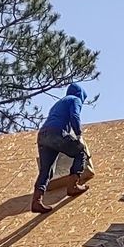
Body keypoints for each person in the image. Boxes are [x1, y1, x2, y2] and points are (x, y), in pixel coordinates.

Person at [31, 83, 94, 212]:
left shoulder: (58, 103)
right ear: (80, 94)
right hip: (56, 133)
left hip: (43, 135)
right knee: (80, 152)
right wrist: (78, 135)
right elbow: (75, 116)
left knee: (46, 170)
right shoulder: (75, 99)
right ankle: (73, 186)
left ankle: (36, 201)